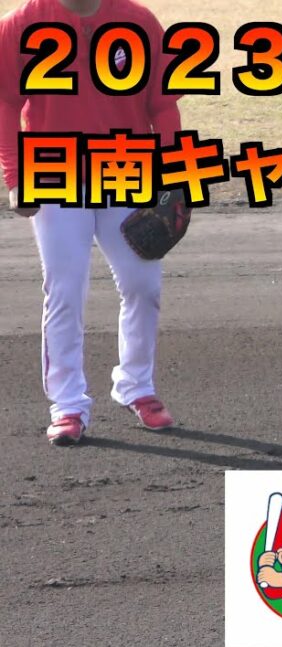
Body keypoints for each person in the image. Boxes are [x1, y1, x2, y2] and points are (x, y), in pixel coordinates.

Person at [0, 0, 182, 445]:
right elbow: (4, 103)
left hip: (126, 169)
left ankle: (136, 386)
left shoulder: (138, 21)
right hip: (53, 171)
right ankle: (67, 404)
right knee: (65, 289)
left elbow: (162, 106)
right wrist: (15, 176)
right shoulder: (22, 24)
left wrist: (172, 175)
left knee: (143, 285)